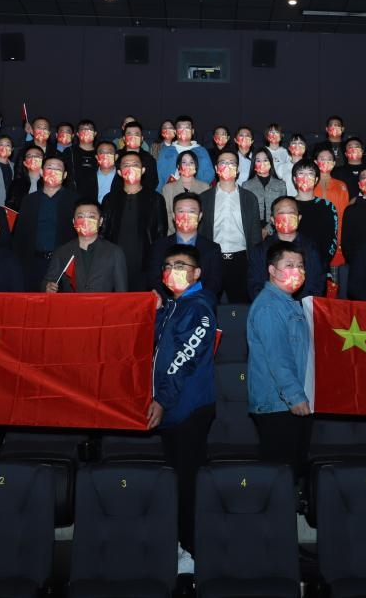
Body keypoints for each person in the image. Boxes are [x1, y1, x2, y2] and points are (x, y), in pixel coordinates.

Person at [149, 243, 217, 574]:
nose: (172, 270)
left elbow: (183, 358)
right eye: (168, 265)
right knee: (176, 481)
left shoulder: (199, 307)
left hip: (188, 407)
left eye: (181, 265)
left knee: (188, 484)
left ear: (197, 273)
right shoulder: (175, 306)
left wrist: (162, 399)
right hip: (174, 408)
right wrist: (158, 311)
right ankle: (180, 545)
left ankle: (192, 551)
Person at [247, 241, 313, 481]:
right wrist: (295, 396)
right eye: (289, 265)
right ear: (272, 270)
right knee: (281, 476)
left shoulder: (288, 304)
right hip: (279, 404)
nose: (297, 271)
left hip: (287, 402)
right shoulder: (270, 307)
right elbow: (279, 358)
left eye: (300, 266)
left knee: (294, 472)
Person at [198, 151, 260, 303]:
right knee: (208, 304)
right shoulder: (204, 198)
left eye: (232, 163)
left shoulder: (249, 198)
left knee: (239, 307)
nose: (227, 166)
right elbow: (200, 232)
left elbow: (255, 235)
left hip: (241, 260)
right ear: (216, 168)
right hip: (213, 259)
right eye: (223, 163)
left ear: (238, 170)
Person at [10, 155, 78, 292]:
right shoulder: (29, 200)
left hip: (63, 264)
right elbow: (20, 236)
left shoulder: (74, 201)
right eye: (49, 168)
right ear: (41, 172)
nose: (53, 172)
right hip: (33, 262)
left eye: (58, 169)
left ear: (65, 175)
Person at [101, 152, 168, 289]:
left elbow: (160, 234)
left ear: (143, 170)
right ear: (119, 172)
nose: (131, 168)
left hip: (144, 264)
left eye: (135, 165)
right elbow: (103, 232)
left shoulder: (155, 199)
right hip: (115, 264)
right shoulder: (110, 199)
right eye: (126, 165)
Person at [146, 193, 224, 298]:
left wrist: (194, 301)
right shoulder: (159, 247)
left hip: (200, 303)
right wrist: (172, 301)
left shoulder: (212, 249)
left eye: (191, 212)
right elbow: (154, 280)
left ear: (200, 216)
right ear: (173, 216)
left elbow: (215, 283)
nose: (186, 216)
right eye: (181, 211)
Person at [247, 196, 326, 299]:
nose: (286, 217)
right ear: (273, 220)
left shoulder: (312, 248)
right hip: (271, 306)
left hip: (304, 307)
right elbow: (255, 286)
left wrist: (302, 306)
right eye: (281, 213)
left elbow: (318, 284)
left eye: (291, 213)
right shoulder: (260, 251)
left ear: (299, 218)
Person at [44, 200, 128, 293]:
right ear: (74, 222)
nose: (86, 221)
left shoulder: (114, 252)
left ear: (100, 221)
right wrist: (48, 287)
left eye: (91, 217)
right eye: (81, 217)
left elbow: (122, 292)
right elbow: (47, 282)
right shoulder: (62, 252)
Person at [290, 159, 339, 269]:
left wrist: (322, 264)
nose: (305, 177)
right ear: (294, 179)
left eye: (310, 174)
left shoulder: (327, 206)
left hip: (320, 266)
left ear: (316, 179)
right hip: (291, 267)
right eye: (301, 173)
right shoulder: (287, 205)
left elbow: (332, 239)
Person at [156, 115, 213, 188]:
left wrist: (195, 187)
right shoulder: (165, 151)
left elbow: (209, 175)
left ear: (192, 131)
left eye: (187, 128)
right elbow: (159, 177)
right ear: (175, 132)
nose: (184, 131)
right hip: (171, 191)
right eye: (180, 128)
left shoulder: (202, 151)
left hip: (197, 191)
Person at [161, 150, 211, 229]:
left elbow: (206, 214)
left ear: (196, 166)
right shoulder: (168, 188)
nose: (188, 165)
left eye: (191, 162)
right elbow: (166, 215)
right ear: (178, 166)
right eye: (184, 162)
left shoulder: (205, 187)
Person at [241, 147, 286, 231]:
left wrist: (268, 229)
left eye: (265, 160)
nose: (262, 163)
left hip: (275, 228)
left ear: (270, 162)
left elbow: (282, 210)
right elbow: (245, 212)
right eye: (258, 161)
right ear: (254, 163)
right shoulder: (246, 185)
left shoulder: (281, 184)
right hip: (253, 229)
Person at [120, 121, 161, 191]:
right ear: (124, 138)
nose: (133, 137)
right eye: (129, 134)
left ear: (141, 139)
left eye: (136, 134)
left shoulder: (149, 159)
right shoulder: (116, 157)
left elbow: (153, 183)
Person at [5, 145, 44, 211]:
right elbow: (10, 207)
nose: (33, 158)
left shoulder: (51, 182)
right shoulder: (16, 184)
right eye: (29, 156)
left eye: (37, 156)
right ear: (25, 163)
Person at [63, 120, 99, 185]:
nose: (86, 132)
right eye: (83, 129)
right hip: (73, 190)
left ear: (95, 133)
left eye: (90, 129)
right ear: (77, 134)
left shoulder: (100, 153)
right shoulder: (69, 151)